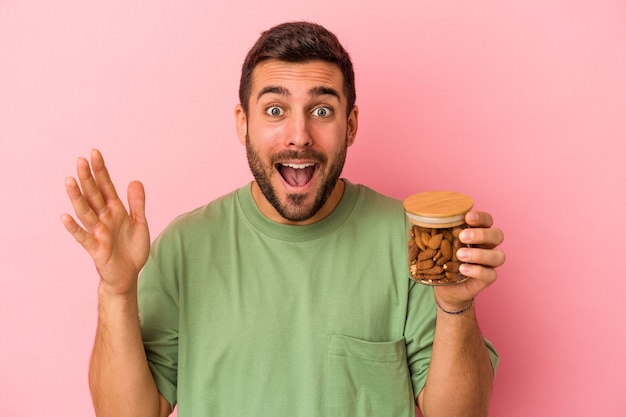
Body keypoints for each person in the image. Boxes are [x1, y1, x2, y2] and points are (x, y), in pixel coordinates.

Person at [62, 21, 505, 417]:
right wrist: (117, 292)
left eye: (322, 111)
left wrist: (454, 305)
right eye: (275, 110)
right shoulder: (184, 245)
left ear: (350, 125)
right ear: (243, 124)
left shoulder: (412, 239)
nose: (299, 136)